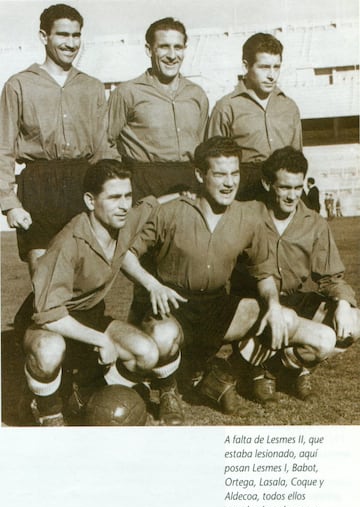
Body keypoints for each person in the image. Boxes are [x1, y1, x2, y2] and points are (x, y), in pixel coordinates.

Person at [121, 137, 335, 416]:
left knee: (303, 327)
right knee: (162, 336)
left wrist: (272, 306)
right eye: (220, 173)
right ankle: (169, 389)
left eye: (234, 173)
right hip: (174, 305)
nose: (229, 182)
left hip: (217, 306)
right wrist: (153, 286)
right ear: (200, 174)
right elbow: (125, 254)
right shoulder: (170, 212)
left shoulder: (247, 217)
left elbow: (264, 271)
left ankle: (230, 370)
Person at [21, 160, 183, 427]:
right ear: (90, 200)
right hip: (49, 321)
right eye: (114, 197)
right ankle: (48, 411)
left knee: (147, 354)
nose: (123, 205)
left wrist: (186, 193)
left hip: (90, 315)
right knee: (49, 350)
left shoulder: (125, 220)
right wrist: (102, 340)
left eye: (128, 195)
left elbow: (151, 205)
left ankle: (83, 396)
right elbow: (48, 315)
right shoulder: (68, 242)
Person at [230, 147, 359, 402]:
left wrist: (343, 303)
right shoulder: (246, 214)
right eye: (285, 187)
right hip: (257, 304)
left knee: (354, 322)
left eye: (297, 188)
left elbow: (331, 278)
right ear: (268, 184)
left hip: (294, 299)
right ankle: (252, 364)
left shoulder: (314, 222)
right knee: (271, 316)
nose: (292, 196)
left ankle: (280, 367)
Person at [0, 3, 116, 276]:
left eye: (76, 35)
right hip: (38, 185)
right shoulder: (19, 85)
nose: (71, 43)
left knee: (84, 276)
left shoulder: (92, 86)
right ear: (44, 36)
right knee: (44, 276)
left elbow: (102, 148)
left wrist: (107, 195)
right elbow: (3, 148)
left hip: (82, 183)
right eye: (63, 35)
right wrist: (10, 204)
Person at [108, 17, 209, 202]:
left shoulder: (197, 94)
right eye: (164, 47)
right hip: (144, 183)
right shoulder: (127, 93)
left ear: (185, 50)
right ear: (149, 50)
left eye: (178, 47)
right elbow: (105, 142)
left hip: (189, 184)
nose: (172, 55)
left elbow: (202, 144)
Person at [206, 33, 302, 200]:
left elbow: (297, 156)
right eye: (264, 67)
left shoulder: (289, 106)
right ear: (246, 67)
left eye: (276, 67)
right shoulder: (226, 107)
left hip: (283, 185)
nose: (272, 75)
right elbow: (213, 161)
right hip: (245, 189)